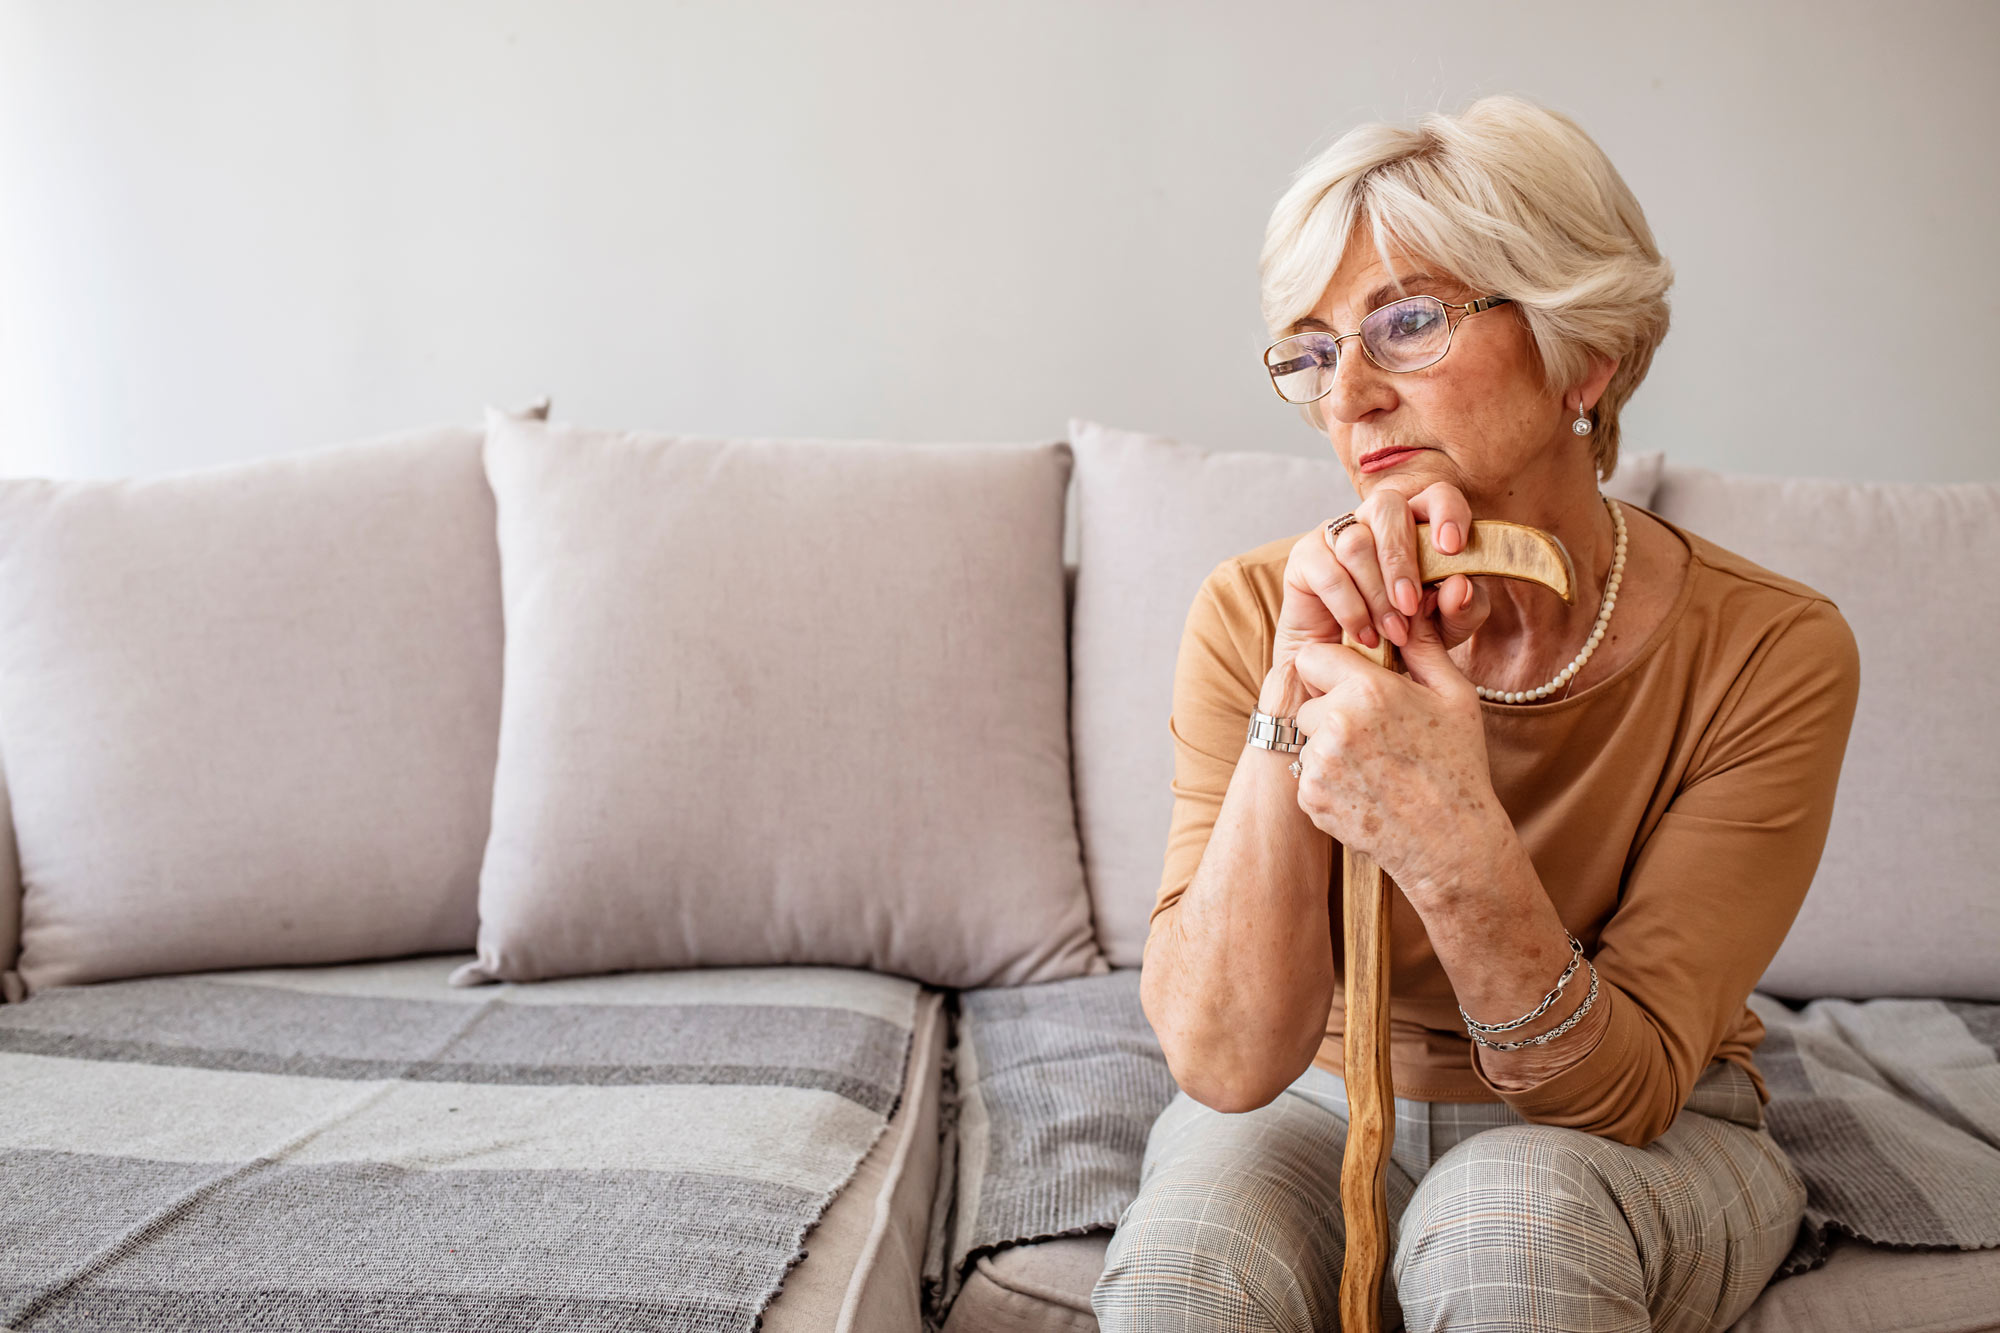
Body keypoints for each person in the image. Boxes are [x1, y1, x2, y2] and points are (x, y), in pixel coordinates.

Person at [1091, 94, 1862, 1333]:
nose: (1347, 397)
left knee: (1503, 1229)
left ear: (1583, 352)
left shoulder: (1771, 646)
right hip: (1311, 1104)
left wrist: (1446, 833)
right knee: (1189, 1269)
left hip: (1644, 1132)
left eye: (1406, 324)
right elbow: (1223, 1064)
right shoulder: (1254, 611)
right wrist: (1296, 689)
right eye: (1310, 349)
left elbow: (1625, 1086)